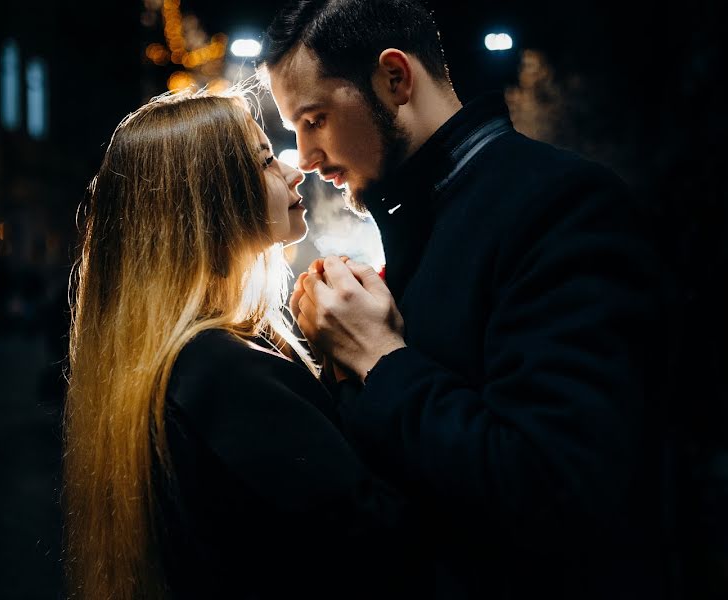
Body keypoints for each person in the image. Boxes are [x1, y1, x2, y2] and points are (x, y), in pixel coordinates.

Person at [261, 1, 665, 598]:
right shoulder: (427, 221)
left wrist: (378, 357)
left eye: (314, 118)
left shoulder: (562, 206)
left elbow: (556, 487)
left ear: (394, 78)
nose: (308, 157)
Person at [63, 90, 423, 600]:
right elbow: (385, 541)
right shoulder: (223, 371)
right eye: (265, 162)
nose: (294, 170)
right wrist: (372, 358)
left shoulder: (186, 357)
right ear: (210, 197)